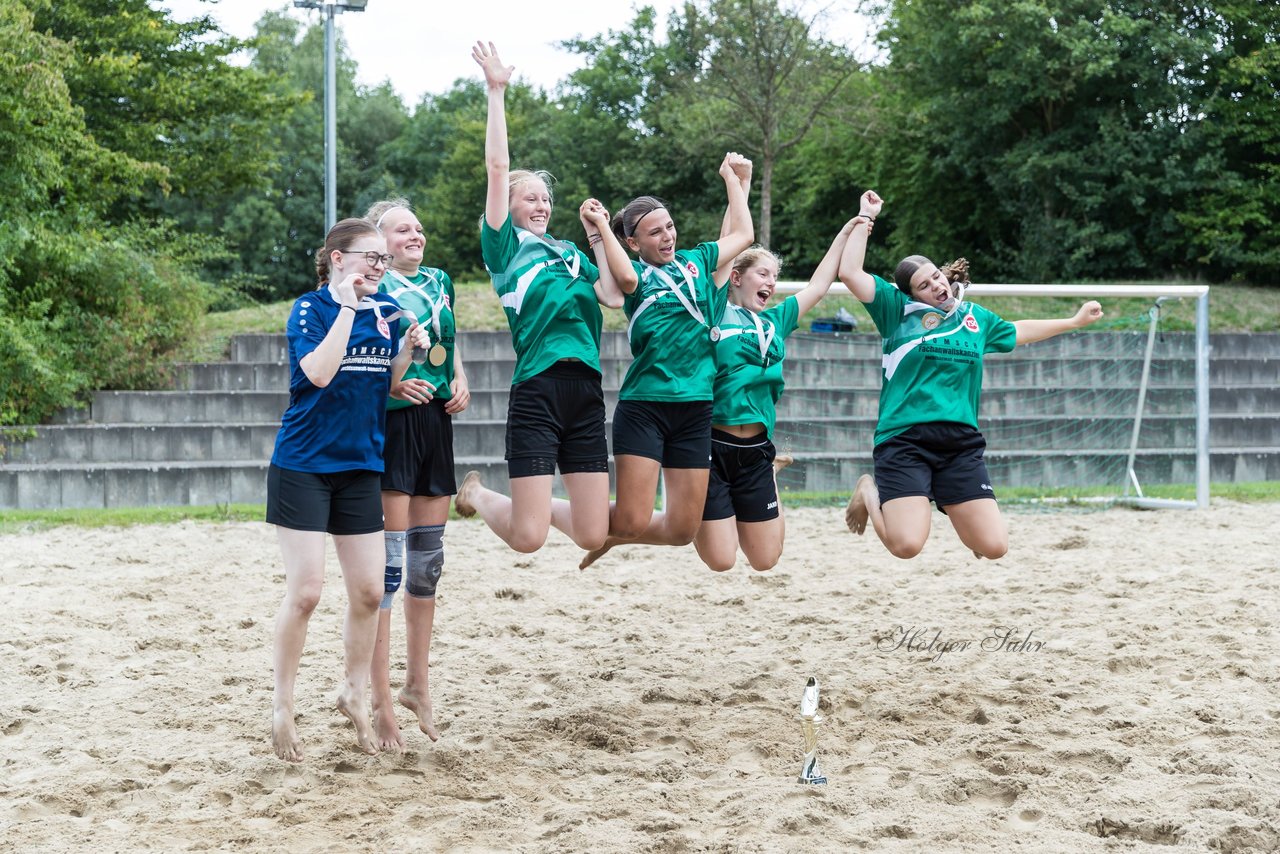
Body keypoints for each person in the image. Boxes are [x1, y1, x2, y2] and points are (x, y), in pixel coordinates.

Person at [838, 190, 1104, 559]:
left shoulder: (974, 318)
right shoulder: (894, 310)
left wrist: (1074, 322)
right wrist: (867, 218)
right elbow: (849, 271)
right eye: (925, 286)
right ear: (912, 294)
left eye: (936, 277)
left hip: (959, 444)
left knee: (993, 547)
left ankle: (946, 497)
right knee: (907, 545)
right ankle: (869, 491)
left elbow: (1019, 330)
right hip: (905, 441)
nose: (936, 286)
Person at [455, 42, 629, 553]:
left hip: (586, 389)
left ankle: (523, 504)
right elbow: (496, 167)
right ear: (508, 207)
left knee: (595, 534)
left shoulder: (572, 253)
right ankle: (480, 494)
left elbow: (614, 296)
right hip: (538, 389)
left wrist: (598, 230)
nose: (542, 203)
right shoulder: (504, 249)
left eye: (546, 198)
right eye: (530, 196)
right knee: (528, 539)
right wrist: (495, 92)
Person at [267, 217, 428, 763]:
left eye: (384, 260)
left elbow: (379, 381)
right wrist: (347, 309)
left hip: (361, 465)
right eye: (370, 258)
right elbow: (317, 373)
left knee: (367, 591)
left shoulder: (383, 313)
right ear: (337, 258)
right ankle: (282, 703)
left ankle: (352, 689)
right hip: (304, 465)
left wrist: (407, 348)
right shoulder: (310, 310)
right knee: (308, 591)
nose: (380, 268)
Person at [578, 153, 754, 569]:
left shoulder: (700, 262)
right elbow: (622, 280)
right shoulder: (637, 279)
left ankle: (616, 538)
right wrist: (601, 226)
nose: (667, 236)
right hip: (646, 408)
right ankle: (542, 511)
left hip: (694, 409)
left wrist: (734, 179)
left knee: (681, 531)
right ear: (634, 243)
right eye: (654, 233)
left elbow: (742, 233)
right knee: (632, 518)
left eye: (669, 226)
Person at [693, 218, 861, 571]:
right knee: (720, 560)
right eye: (763, 274)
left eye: (774, 276)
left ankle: (770, 472)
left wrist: (844, 233)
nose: (771, 282)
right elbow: (726, 246)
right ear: (736, 277)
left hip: (755, 450)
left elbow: (818, 286)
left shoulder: (775, 322)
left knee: (765, 560)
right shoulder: (712, 311)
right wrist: (738, 184)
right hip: (711, 445)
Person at [364, 198, 470, 753]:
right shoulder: (372, 287)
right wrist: (390, 386)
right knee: (387, 569)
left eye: (419, 227)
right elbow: (359, 365)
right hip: (394, 426)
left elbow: (449, 343)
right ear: (379, 240)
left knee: (427, 565)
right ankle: (379, 699)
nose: (417, 233)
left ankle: (416, 686)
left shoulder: (439, 279)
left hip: (436, 424)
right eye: (403, 228)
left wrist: (460, 378)